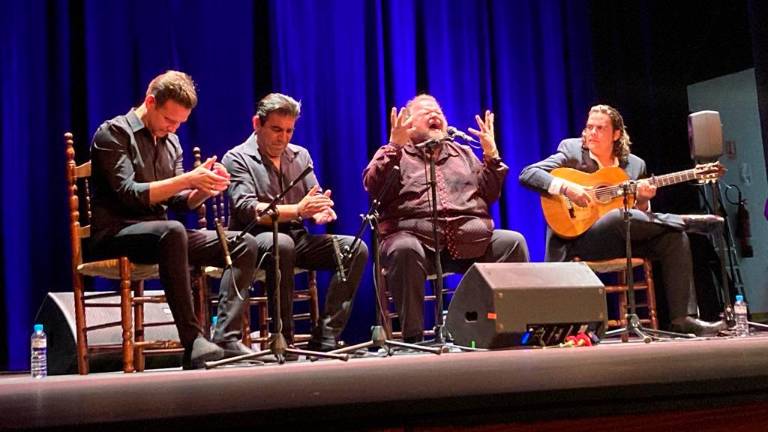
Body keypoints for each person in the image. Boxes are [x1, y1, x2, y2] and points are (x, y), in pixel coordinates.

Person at [90, 70, 260, 369]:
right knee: (172, 232)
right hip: (117, 234)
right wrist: (186, 179)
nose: (173, 128)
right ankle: (193, 340)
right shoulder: (113, 133)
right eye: (169, 120)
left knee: (243, 242)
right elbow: (129, 193)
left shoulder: (171, 143)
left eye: (180, 123)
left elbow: (180, 203)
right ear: (151, 101)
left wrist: (205, 187)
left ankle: (225, 338)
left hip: (165, 237)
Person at [519, 104, 726, 336]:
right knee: (620, 217)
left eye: (600, 128)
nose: (592, 133)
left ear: (616, 134)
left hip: (624, 239)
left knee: (674, 237)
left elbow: (641, 214)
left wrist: (644, 201)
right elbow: (528, 174)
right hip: (581, 239)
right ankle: (683, 220)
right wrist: (567, 188)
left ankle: (683, 319)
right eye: (589, 127)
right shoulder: (571, 151)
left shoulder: (635, 165)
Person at [363, 94, 530, 343]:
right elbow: (373, 185)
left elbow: (489, 193)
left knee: (512, 242)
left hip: (469, 241)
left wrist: (492, 155)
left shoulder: (461, 152)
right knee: (404, 248)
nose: (435, 115)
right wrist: (393, 148)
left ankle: (508, 330)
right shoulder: (395, 153)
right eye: (426, 112)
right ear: (408, 123)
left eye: (438, 112)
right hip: (417, 244)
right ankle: (414, 338)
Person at [222, 93, 368, 352]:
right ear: (257, 123)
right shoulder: (237, 158)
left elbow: (314, 196)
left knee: (355, 248)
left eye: (289, 130)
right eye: (277, 129)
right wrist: (299, 210)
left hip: (297, 237)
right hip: (253, 239)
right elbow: (248, 210)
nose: (284, 137)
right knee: (283, 245)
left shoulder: (300, 156)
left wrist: (320, 210)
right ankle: (283, 338)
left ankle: (326, 334)